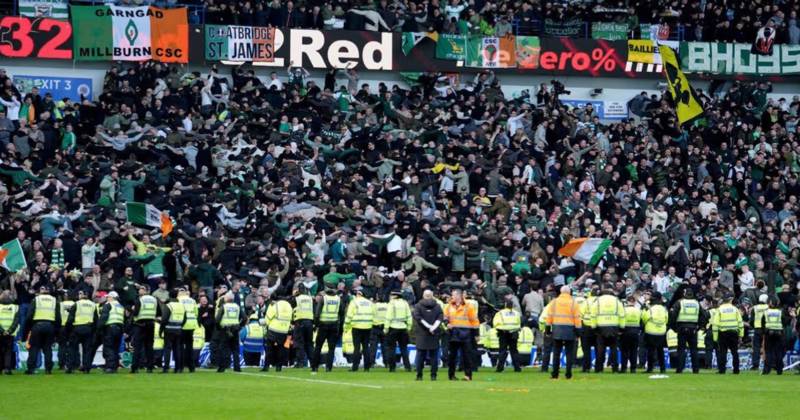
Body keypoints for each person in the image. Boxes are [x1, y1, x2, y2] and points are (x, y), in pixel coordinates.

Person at [544, 286, 582, 379]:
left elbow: (549, 317)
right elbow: (577, 318)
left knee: (556, 353)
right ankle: (568, 374)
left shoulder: (554, 302)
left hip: (557, 329)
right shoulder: (574, 303)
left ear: (561, 292)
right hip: (570, 330)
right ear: (569, 292)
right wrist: (578, 332)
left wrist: (548, 329)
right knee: (569, 353)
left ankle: (555, 374)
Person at [669, 289, 708, 374]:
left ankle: (680, 369)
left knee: (681, 349)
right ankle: (696, 369)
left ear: (685, 294)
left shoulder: (680, 302)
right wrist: (699, 326)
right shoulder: (696, 303)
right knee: (694, 350)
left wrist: (674, 327)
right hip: (693, 328)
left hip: (682, 328)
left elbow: (673, 315)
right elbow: (704, 315)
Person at [444, 288, 479, 381]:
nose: (452, 296)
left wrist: (476, 334)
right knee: (452, 356)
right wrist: (447, 323)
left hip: (466, 333)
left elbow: (474, 320)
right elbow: (445, 317)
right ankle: (451, 375)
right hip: (453, 333)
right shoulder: (449, 306)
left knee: (467, 356)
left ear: (459, 296)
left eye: (453, 295)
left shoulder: (468, 306)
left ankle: (468, 375)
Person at [25, 285, 61, 374]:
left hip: (37, 325)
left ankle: (31, 369)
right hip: (50, 326)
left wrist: (28, 328)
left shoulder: (36, 299)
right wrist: (56, 331)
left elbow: (29, 315)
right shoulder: (54, 300)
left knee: (34, 347)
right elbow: (58, 317)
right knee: (48, 348)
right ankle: (48, 369)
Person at [591, 288, 625, 373]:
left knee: (600, 349)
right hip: (614, 327)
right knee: (613, 348)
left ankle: (599, 368)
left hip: (601, 327)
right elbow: (622, 315)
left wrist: (594, 327)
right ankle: (615, 368)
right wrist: (622, 328)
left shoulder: (598, 301)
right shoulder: (617, 301)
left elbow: (593, 315)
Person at [412, 290, 443, 380]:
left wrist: (428, 327)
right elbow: (440, 318)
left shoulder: (418, 306)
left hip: (421, 334)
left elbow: (418, 318)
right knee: (434, 356)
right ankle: (433, 375)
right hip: (434, 333)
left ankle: (419, 375)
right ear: (432, 296)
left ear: (423, 295)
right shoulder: (437, 306)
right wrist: (433, 327)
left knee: (420, 356)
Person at [65, 289, 96, 374]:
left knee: (72, 348)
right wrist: (93, 330)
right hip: (88, 328)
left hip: (77, 328)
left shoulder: (77, 304)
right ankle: (86, 368)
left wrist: (68, 330)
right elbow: (96, 319)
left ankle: (70, 367)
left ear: (81, 295)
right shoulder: (93, 305)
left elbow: (70, 319)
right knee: (87, 349)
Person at [311, 288, 342, 372]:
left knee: (318, 346)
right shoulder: (338, 299)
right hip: (334, 325)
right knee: (331, 348)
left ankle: (315, 367)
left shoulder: (324, 298)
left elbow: (317, 313)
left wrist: (316, 324)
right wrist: (339, 325)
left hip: (323, 325)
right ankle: (329, 368)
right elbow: (341, 313)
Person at [130, 285, 159, 373]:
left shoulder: (140, 299)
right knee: (149, 347)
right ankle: (150, 368)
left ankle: (135, 368)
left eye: (141, 289)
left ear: (146, 290)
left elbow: (136, 313)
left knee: (137, 347)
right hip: (151, 324)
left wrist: (133, 310)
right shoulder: (155, 299)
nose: (139, 290)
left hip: (140, 325)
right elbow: (158, 312)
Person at [712, 295, 744, 374]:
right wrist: (741, 335)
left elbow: (715, 324)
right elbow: (740, 323)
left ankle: (722, 370)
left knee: (723, 352)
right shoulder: (735, 309)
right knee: (734, 352)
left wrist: (715, 338)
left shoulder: (719, 309)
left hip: (723, 333)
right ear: (730, 301)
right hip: (733, 333)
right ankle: (736, 370)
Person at [344, 288, 374, 372]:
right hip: (367, 327)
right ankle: (367, 367)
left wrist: (346, 327)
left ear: (359, 294)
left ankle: (355, 367)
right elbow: (373, 314)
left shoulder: (354, 302)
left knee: (357, 348)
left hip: (357, 327)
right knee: (366, 347)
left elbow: (349, 316)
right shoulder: (370, 303)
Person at [215, 292, 244, 372]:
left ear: (226, 299)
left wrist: (219, 328)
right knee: (235, 349)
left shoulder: (224, 307)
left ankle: (222, 367)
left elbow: (217, 320)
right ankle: (237, 367)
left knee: (223, 348)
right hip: (235, 329)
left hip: (225, 329)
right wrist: (239, 326)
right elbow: (244, 318)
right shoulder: (237, 307)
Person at [384, 290, 412, 372]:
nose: (390, 296)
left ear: (395, 296)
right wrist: (409, 327)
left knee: (391, 348)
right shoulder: (405, 303)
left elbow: (388, 316)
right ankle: (407, 366)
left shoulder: (391, 303)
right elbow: (409, 316)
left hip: (393, 328)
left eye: (391, 295)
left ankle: (392, 367)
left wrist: (386, 328)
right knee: (404, 348)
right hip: (403, 328)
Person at [263, 295, 293, 372]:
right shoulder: (289, 306)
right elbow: (291, 318)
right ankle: (279, 367)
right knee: (281, 349)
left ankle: (266, 367)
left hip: (273, 330)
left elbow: (268, 318)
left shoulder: (274, 304)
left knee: (269, 349)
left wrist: (267, 325)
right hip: (283, 331)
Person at [641, 292, 668, 373]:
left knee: (651, 351)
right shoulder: (664, 308)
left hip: (651, 332)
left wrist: (644, 309)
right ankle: (662, 368)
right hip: (661, 332)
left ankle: (650, 368)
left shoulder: (650, 308)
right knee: (660, 351)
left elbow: (644, 318)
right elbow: (666, 319)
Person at [98, 291, 125, 373]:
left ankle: (110, 367)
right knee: (115, 348)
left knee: (109, 348)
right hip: (119, 329)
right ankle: (115, 366)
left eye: (108, 297)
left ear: (112, 297)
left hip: (110, 328)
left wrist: (99, 328)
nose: (107, 298)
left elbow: (104, 317)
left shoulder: (108, 305)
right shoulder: (121, 306)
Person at [492, 298, 522, 373]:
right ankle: (517, 368)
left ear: (505, 305)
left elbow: (495, 323)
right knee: (514, 351)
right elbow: (519, 323)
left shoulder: (500, 313)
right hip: (514, 333)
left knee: (503, 351)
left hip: (503, 333)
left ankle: (500, 368)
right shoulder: (516, 313)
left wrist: (500, 329)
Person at [161, 289, 186, 373]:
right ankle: (178, 368)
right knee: (177, 348)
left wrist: (161, 330)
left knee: (167, 348)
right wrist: (180, 326)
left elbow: (164, 319)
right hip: (178, 329)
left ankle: (166, 368)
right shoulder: (182, 305)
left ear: (169, 295)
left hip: (169, 329)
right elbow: (185, 319)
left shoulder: (169, 305)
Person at [761, 298, 787, 375]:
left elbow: (762, 323)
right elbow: (784, 322)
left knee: (768, 352)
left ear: (770, 303)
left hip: (769, 333)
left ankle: (767, 370)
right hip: (779, 333)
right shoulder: (780, 312)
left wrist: (764, 331)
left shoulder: (766, 312)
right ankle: (779, 370)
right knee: (778, 352)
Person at [291, 285, 314, 368]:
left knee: (299, 343)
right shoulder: (310, 298)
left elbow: (291, 304)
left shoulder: (297, 298)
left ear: (298, 290)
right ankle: (313, 363)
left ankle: (300, 362)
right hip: (309, 322)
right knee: (309, 343)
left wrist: (294, 295)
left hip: (300, 322)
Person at [179, 288, 199, 373]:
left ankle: (181, 366)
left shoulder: (179, 300)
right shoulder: (192, 300)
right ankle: (191, 367)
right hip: (191, 324)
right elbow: (196, 313)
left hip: (182, 325)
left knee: (180, 346)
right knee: (189, 346)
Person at [620, 295, 641, 373]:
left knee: (625, 351)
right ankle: (633, 368)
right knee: (634, 351)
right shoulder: (638, 310)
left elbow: (620, 320)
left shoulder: (624, 310)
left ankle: (624, 368)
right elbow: (641, 321)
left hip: (625, 331)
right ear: (635, 302)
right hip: (635, 332)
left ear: (627, 301)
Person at [0, 290, 20, 374]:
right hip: (10, 334)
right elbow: (16, 321)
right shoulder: (16, 307)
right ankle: (7, 369)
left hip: (1, 333)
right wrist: (9, 331)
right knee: (8, 352)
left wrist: (2, 331)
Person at [579, 288, 597, 373]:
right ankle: (598, 367)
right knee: (599, 349)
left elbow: (580, 314)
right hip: (597, 327)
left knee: (586, 349)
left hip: (586, 327)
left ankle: (586, 367)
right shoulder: (600, 301)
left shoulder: (586, 302)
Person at [749, 294, 769, 371]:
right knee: (767, 347)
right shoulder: (768, 307)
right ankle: (768, 364)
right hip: (766, 329)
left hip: (757, 329)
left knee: (756, 347)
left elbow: (751, 320)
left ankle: (755, 365)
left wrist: (753, 326)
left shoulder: (755, 308)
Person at [369, 296, 388, 369]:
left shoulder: (374, 306)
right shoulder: (387, 306)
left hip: (375, 327)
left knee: (373, 346)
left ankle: (371, 363)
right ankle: (386, 363)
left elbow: (371, 315)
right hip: (385, 327)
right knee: (385, 346)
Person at [538, 299, 553, 372]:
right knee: (557, 351)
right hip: (559, 331)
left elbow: (541, 320)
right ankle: (556, 368)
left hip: (548, 331)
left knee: (547, 350)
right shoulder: (560, 307)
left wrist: (542, 329)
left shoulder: (547, 308)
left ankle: (544, 368)